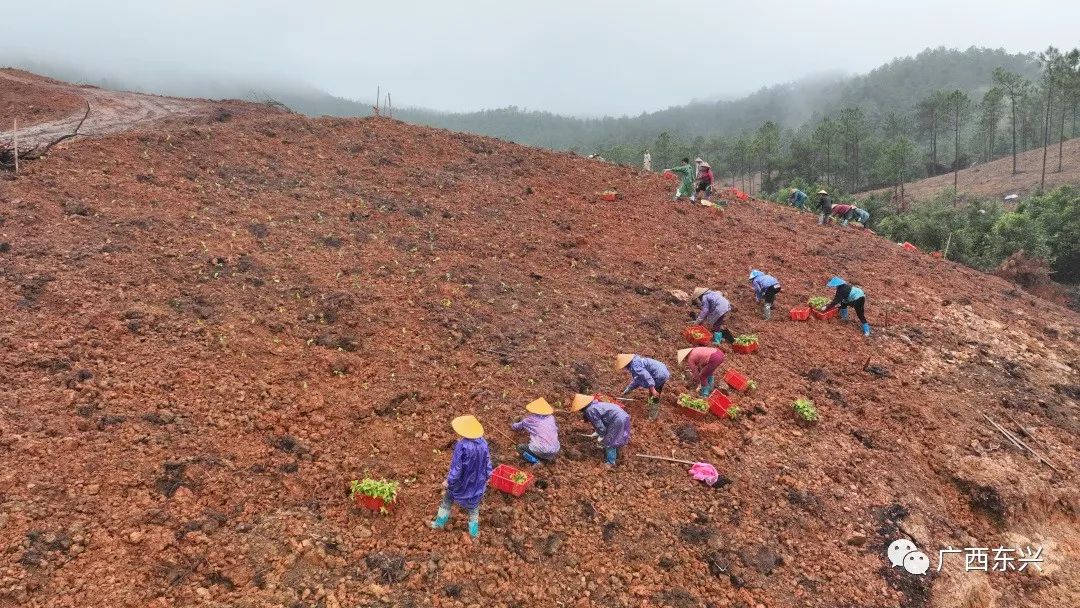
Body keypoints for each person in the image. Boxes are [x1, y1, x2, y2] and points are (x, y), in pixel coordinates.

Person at [430, 415, 493, 539]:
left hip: (461, 483)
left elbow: (457, 469)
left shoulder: (462, 445)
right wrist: (487, 476)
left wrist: (449, 481)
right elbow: (488, 463)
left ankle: (439, 524)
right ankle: (473, 533)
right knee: (474, 508)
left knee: (447, 500)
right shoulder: (483, 443)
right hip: (477, 483)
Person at [570, 393, 631, 466]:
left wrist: (601, 434)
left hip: (617, 420)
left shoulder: (590, 410)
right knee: (614, 438)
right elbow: (603, 419)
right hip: (622, 416)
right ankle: (615, 455)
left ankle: (610, 463)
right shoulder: (595, 405)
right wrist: (598, 432)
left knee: (609, 441)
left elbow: (599, 425)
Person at [616, 353, 670, 419]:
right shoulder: (636, 362)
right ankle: (650, 404)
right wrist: (627, 390)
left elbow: (646, 376)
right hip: (662, 371)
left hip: (658, 374)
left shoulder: (635, 366)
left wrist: (653, 390)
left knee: (654, 395)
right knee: (654, 391)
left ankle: (652, 417)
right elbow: (637, 380)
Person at [511, 398, 560, 465]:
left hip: (541, 449)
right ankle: (545, 458)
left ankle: (536, 462)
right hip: (554, 450)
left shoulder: (530, 420)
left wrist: (514, 422)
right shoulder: (551, 418)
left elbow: (515, 427)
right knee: (541, 447)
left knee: (520, 448)